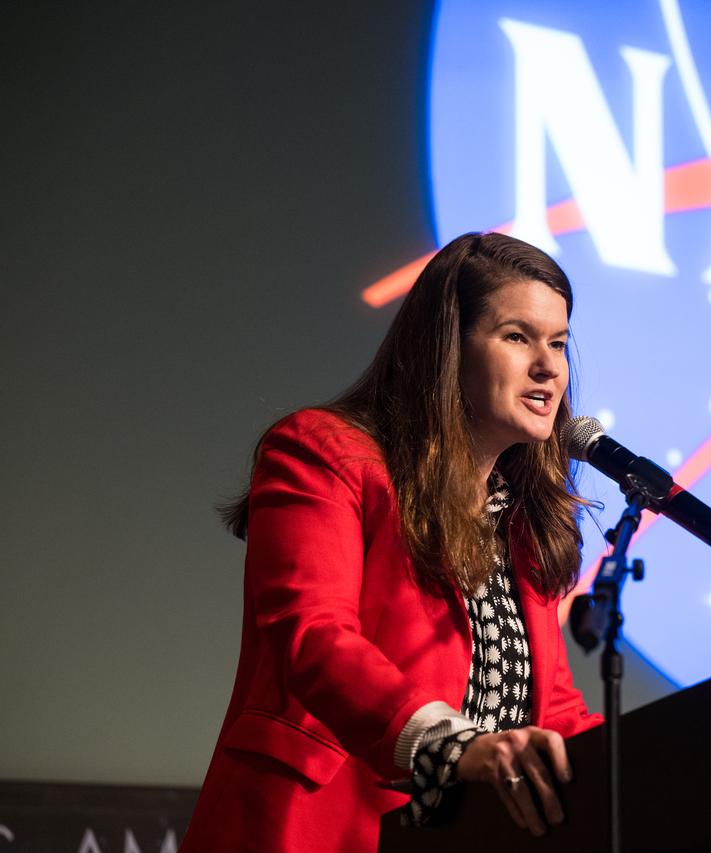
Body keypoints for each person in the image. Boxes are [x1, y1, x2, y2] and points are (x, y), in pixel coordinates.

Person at [180, 232, 603, 852]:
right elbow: (313, 637)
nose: (549, 366)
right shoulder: (322, 452)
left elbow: (556, 712)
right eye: (517, 337)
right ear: (448, 348)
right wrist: (455, 745)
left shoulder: (525, 523)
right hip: (315, 829)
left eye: (559, 343)